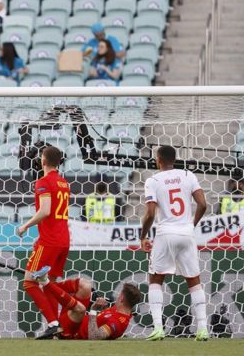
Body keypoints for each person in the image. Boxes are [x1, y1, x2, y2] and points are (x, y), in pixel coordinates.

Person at [140, 145, 209, 341]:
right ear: (175, 159)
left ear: (158, 160)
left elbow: (150, 213)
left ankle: (158, 328)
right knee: (194, 280)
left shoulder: (153, 180)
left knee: (156, 279)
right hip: (187, 233)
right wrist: (191, 224)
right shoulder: (188, 175)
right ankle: (202, 329)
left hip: (165, 233)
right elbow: (203, 204)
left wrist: (143, 236)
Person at [16, 146, 71, 340]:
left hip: (49, 241)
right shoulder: (64, 183)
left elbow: (46, 211)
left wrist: (25, 226)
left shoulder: (43, 182)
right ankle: (58, 328)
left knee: (30, 282)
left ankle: (53, 323)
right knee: (49, 284)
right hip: (64, 240)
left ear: (43, 161)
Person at [30, 269, 141, 340]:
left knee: (80, 309)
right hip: (72, 318)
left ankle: (45, 282)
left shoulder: (118, 322)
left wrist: (93, 310)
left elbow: (95, 336)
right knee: (85, 285)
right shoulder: (118, 310)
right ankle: (50, 285)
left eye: (119, 294)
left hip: (71, 332)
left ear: (121, 298)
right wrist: (95, 301)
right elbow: (105, 315)